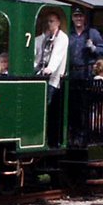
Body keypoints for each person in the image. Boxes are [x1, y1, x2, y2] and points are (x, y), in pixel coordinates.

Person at [34, 10, 69, 146]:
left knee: (48, 107)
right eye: (48, 21)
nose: (49, 24)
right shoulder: (45, 37)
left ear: (58, 22)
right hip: (40, 76)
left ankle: (49, 140)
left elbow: (57, 56)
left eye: (52, 21)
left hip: (53, 79)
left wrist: (50, 69)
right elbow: (37, 49)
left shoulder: (62, 38)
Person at [68, 8, 103, 79]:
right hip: (71, 73)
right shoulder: (68, 33)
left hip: (87, 73)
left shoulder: (93, 33)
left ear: (84, 18)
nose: (78, 18)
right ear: (72, 18)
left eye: (80, 16)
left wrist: (93, 48)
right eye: (76, 16)